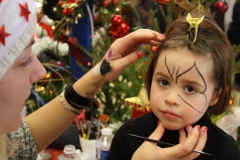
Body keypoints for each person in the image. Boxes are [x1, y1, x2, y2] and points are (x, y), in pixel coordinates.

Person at [0, 0, 206, 159]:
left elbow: (20, 145)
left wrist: (99, 73)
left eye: (190, 87)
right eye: (24, 60)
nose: (41, 71)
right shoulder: (129, 136)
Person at [108, 11, 240, 160]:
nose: (171, 99)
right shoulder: (128, 134)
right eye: (164, 82)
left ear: (215, 96)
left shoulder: (225, 151)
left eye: (190, 88)